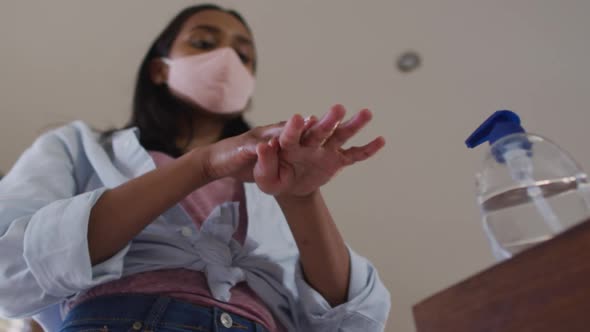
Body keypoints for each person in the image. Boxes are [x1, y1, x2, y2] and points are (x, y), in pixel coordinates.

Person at [0, 4, 391, 332]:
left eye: (243, 56)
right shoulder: (77, 147)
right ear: (159, 69)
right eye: (204, 42)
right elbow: (10, 265)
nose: (226, 59)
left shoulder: (271, 176)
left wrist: (301, 197)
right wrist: (202, 165)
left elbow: (354, 322)